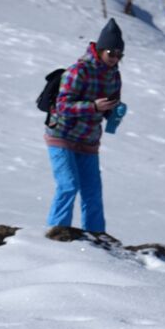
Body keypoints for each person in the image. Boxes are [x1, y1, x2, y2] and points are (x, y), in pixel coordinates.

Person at [45, 18, 124, 234]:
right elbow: (62, 106)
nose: (115, 58)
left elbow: (108, 105)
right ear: (100, 50)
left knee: (93, 193)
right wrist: (93, 107)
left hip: (88, 139)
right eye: (111, 53)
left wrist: (113, 111)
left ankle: (96, 237)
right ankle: (56, 232)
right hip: (61, 135)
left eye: (119, 55)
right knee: (68, 185)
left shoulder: (114, 75)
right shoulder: (78, 71)